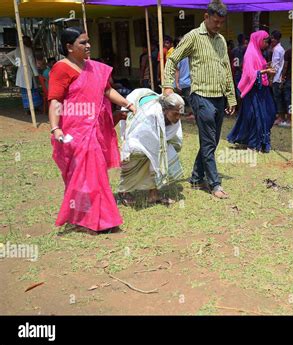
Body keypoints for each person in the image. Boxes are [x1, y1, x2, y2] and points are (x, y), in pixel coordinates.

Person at [48, 27, 136, 233]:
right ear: (69, 47)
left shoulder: (94, 67)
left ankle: (101, 219)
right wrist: (55, 128)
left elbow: (107, 90)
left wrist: (128, 104)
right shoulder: (61, 69)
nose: (88, 46)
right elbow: (55, 101)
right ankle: (87, 218)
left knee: (95, 175)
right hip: (74, 132)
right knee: (80, 176)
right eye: (82, 43)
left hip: (93, 130)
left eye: (88, 41)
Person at [163, 0, 236, 199]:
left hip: (219, 96)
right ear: (206, 17)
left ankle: (196, 177)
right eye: (215, 21)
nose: (218, 25)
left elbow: (226, 68)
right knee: (209, 140)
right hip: (201, 95)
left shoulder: (221, 40)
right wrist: (168, 86)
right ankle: (214, 184)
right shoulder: (193, 37)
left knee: (210, 140)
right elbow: (172, 59)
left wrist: (231, 97)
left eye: (221, 22)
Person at [118, 89, 185, 205]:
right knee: (134, 156)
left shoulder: (175, 119)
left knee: (161, 156)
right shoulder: (149, 114)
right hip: (136, 126)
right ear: (165, 110)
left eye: (180, 115)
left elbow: (174, 142)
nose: (178, 118)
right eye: (175, 114)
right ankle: (125, 191)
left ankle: (153, 193)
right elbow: (134, 137)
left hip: (156, 135)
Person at [227, 30, 276, 152]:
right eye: (265, 41)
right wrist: (265, 71)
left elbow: (258, 67)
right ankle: (253, 143)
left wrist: (266, 67)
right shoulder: (250, 53)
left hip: (261, 89)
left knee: (269, 113)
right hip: (253, 90)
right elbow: (249, 73)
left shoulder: (259, 53)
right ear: (258, 40)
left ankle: (256, 140)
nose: (267, 44)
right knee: (255, 116)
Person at [14, 36, 42, 113]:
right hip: (29, 72)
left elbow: (17, 63)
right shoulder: (28, 49)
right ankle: (34, 107)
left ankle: (27, 108)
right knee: (32, 90)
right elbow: (32, 63)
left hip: (20, 72)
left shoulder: (17, 49)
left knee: (24, 91)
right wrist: (36, 74)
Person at [269, 30, 287, 127]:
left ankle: (280, 117)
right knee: (279, 98)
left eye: (272, 38)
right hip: (279, 76)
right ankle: (281, 116)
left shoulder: (276, 50)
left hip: (276, 77)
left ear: (275, 39)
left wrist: (271, 78)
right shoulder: (281, 49)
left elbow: (275, 67)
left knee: (277, 98)